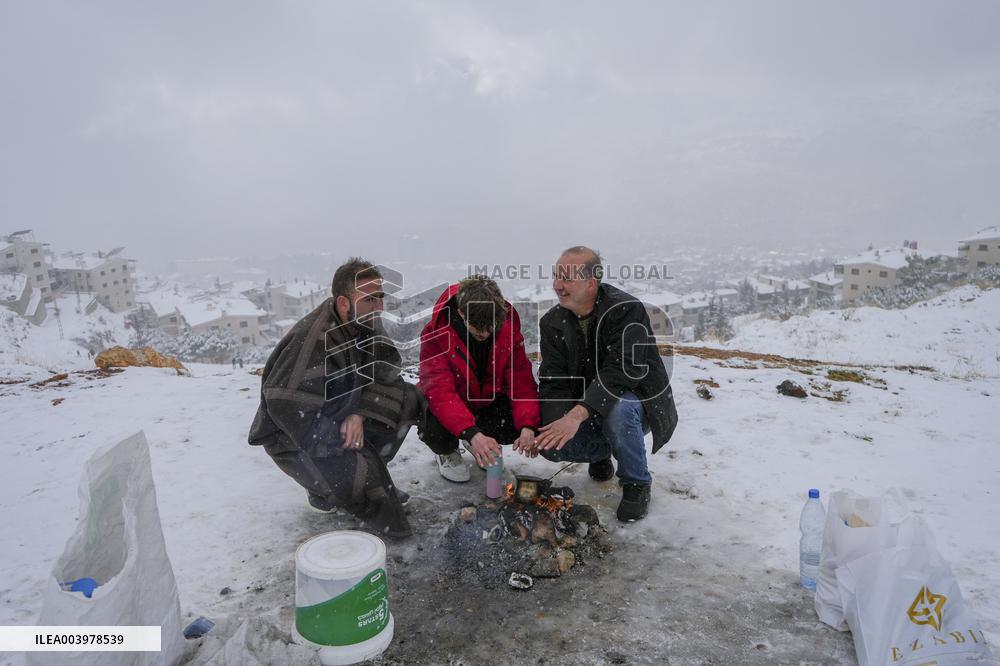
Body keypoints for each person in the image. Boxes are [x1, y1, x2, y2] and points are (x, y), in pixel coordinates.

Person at [248, 258, 423, 538]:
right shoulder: (310, 340)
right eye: (370, 299)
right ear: (344, 303)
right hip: (296, 435)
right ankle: (334, 488)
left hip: (343, 411)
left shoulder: (365, 320)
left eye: (380, 297)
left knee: (409, 398)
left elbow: (387, 369)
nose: (378, 307)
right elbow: (285, 406)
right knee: (365, 481)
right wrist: (344, 439)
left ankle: (361, 479)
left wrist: (359, 413)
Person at [525, 246, 678, 522]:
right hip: (587, 403)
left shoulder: (626, 310)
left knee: (618, 411)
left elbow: (623, 371)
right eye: (555, 276)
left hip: (636, 402)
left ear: (591, 283)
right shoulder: (552, 322)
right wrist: (550, 426)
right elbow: (553, 380)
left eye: (567, 278)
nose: (557, 286)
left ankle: (636, 483)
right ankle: (602, 453)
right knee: (551, 440)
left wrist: (575, 416)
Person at [418, 276, 539, 482]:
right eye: (478, 328)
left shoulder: (507, 330)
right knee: (431, 419)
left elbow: (521, 381)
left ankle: (478, 440)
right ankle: (447, 450)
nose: (485, 333)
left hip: (487, 401)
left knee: (517, 422)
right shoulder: (437, 334)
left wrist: (528, 425)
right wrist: (471, 431)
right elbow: (440, 392)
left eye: (491, 326)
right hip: (452, 404)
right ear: (461, 313)